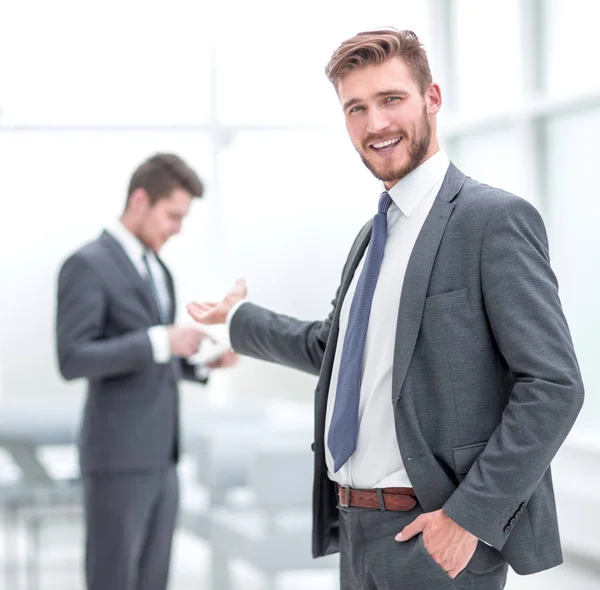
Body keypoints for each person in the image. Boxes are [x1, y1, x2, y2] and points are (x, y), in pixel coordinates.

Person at [188, 28, 584, 590]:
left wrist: (468, 517)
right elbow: (337, 351)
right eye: (357, 108)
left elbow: (553, 384)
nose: (375, 124)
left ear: (432, 99)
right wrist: (235, 321)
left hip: (437, 539)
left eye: (390, 99)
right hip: (355, 530)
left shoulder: (491, 220)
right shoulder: (372, 237)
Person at [56, 153, 237, 590]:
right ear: (140, 199)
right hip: (117, 460)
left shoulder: (158, 269)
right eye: (172, 215)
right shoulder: (87, 264)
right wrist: (160, 339)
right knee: (112, 580)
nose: (177, 228)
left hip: (162, 461)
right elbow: (73, 357)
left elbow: (154, 358)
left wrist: (200, 361)